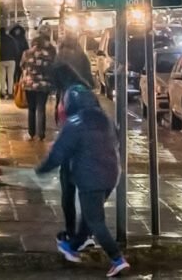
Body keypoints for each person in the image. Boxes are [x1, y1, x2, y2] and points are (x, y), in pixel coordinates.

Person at [35, 88, 129, 277]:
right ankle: (72, 247)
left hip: (90, 178)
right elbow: (117, 141)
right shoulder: (106, 119)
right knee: (89, 216)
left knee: (95, 221)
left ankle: (117, 258)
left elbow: (59, 153)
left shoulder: (74, 123)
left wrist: (41, 170)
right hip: (111, 175)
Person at [49, 62, 93, 246]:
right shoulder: (74, 90)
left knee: (70, 190)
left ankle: (77, 233)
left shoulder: (76, 92)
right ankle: (81, 233)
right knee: (74, 190)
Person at [21, 33, 56, 141]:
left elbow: (22, 65)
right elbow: (51, 69)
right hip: (43, 85)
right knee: (41, 108)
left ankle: (31, 132)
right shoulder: (47, 55)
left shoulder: (26, 53)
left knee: (31, 108)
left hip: (29, 84)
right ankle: (41, 133)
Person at [0, 27, 18, 99]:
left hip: (1, 60)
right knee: (10, 77)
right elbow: (16, 50)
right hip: (11, 60)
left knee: (2, 77)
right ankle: (10, 92)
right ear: (5, 31)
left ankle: (3, 92)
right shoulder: (11, 39)